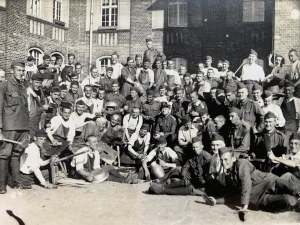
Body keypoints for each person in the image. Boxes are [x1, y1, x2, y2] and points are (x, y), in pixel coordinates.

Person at [204, 147, 300, 213]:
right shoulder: (228, 176)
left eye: (226, 159)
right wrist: (216, 201)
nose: (223, 163)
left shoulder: (242, 163)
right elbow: (234, 195)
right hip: (260, 198)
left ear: (233, 158)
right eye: (221, 160)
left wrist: (244, 205)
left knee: (291, 185)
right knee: (288, 200)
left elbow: (246, 182)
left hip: (270, 183)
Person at [0, 59, 30, 193]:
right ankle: (1, 186)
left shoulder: (23, 87)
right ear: (12, 70)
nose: (21, 73)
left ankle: (16, 182)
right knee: (4, 155)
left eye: (23, 70)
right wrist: (0, 128)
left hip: (22, 126)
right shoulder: (4, 86)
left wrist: (27, 129)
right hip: (9, 126)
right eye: (19, 70)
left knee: (16, 154)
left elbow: (26, 109)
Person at [71, 135, 138, 184]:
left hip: (90, 171)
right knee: (102, 176)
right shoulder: (81, 152)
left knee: (109, 167)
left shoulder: (96, 152)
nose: (96, 143)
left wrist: (100, 172)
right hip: (80, 173)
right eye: (94, 142)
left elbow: (97, 167)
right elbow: (79, 170)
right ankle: (125, 180)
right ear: (87, 143)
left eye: (97, 141)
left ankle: (125, 179)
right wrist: (88, 175)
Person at [27, 73, 47, 139]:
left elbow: (42, 104)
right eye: (36, 82)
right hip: (29, 123)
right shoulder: (26, 92)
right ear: (31, 81)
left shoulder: (40, 91)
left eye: (40, 83)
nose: (38, 85)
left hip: (38, 122)